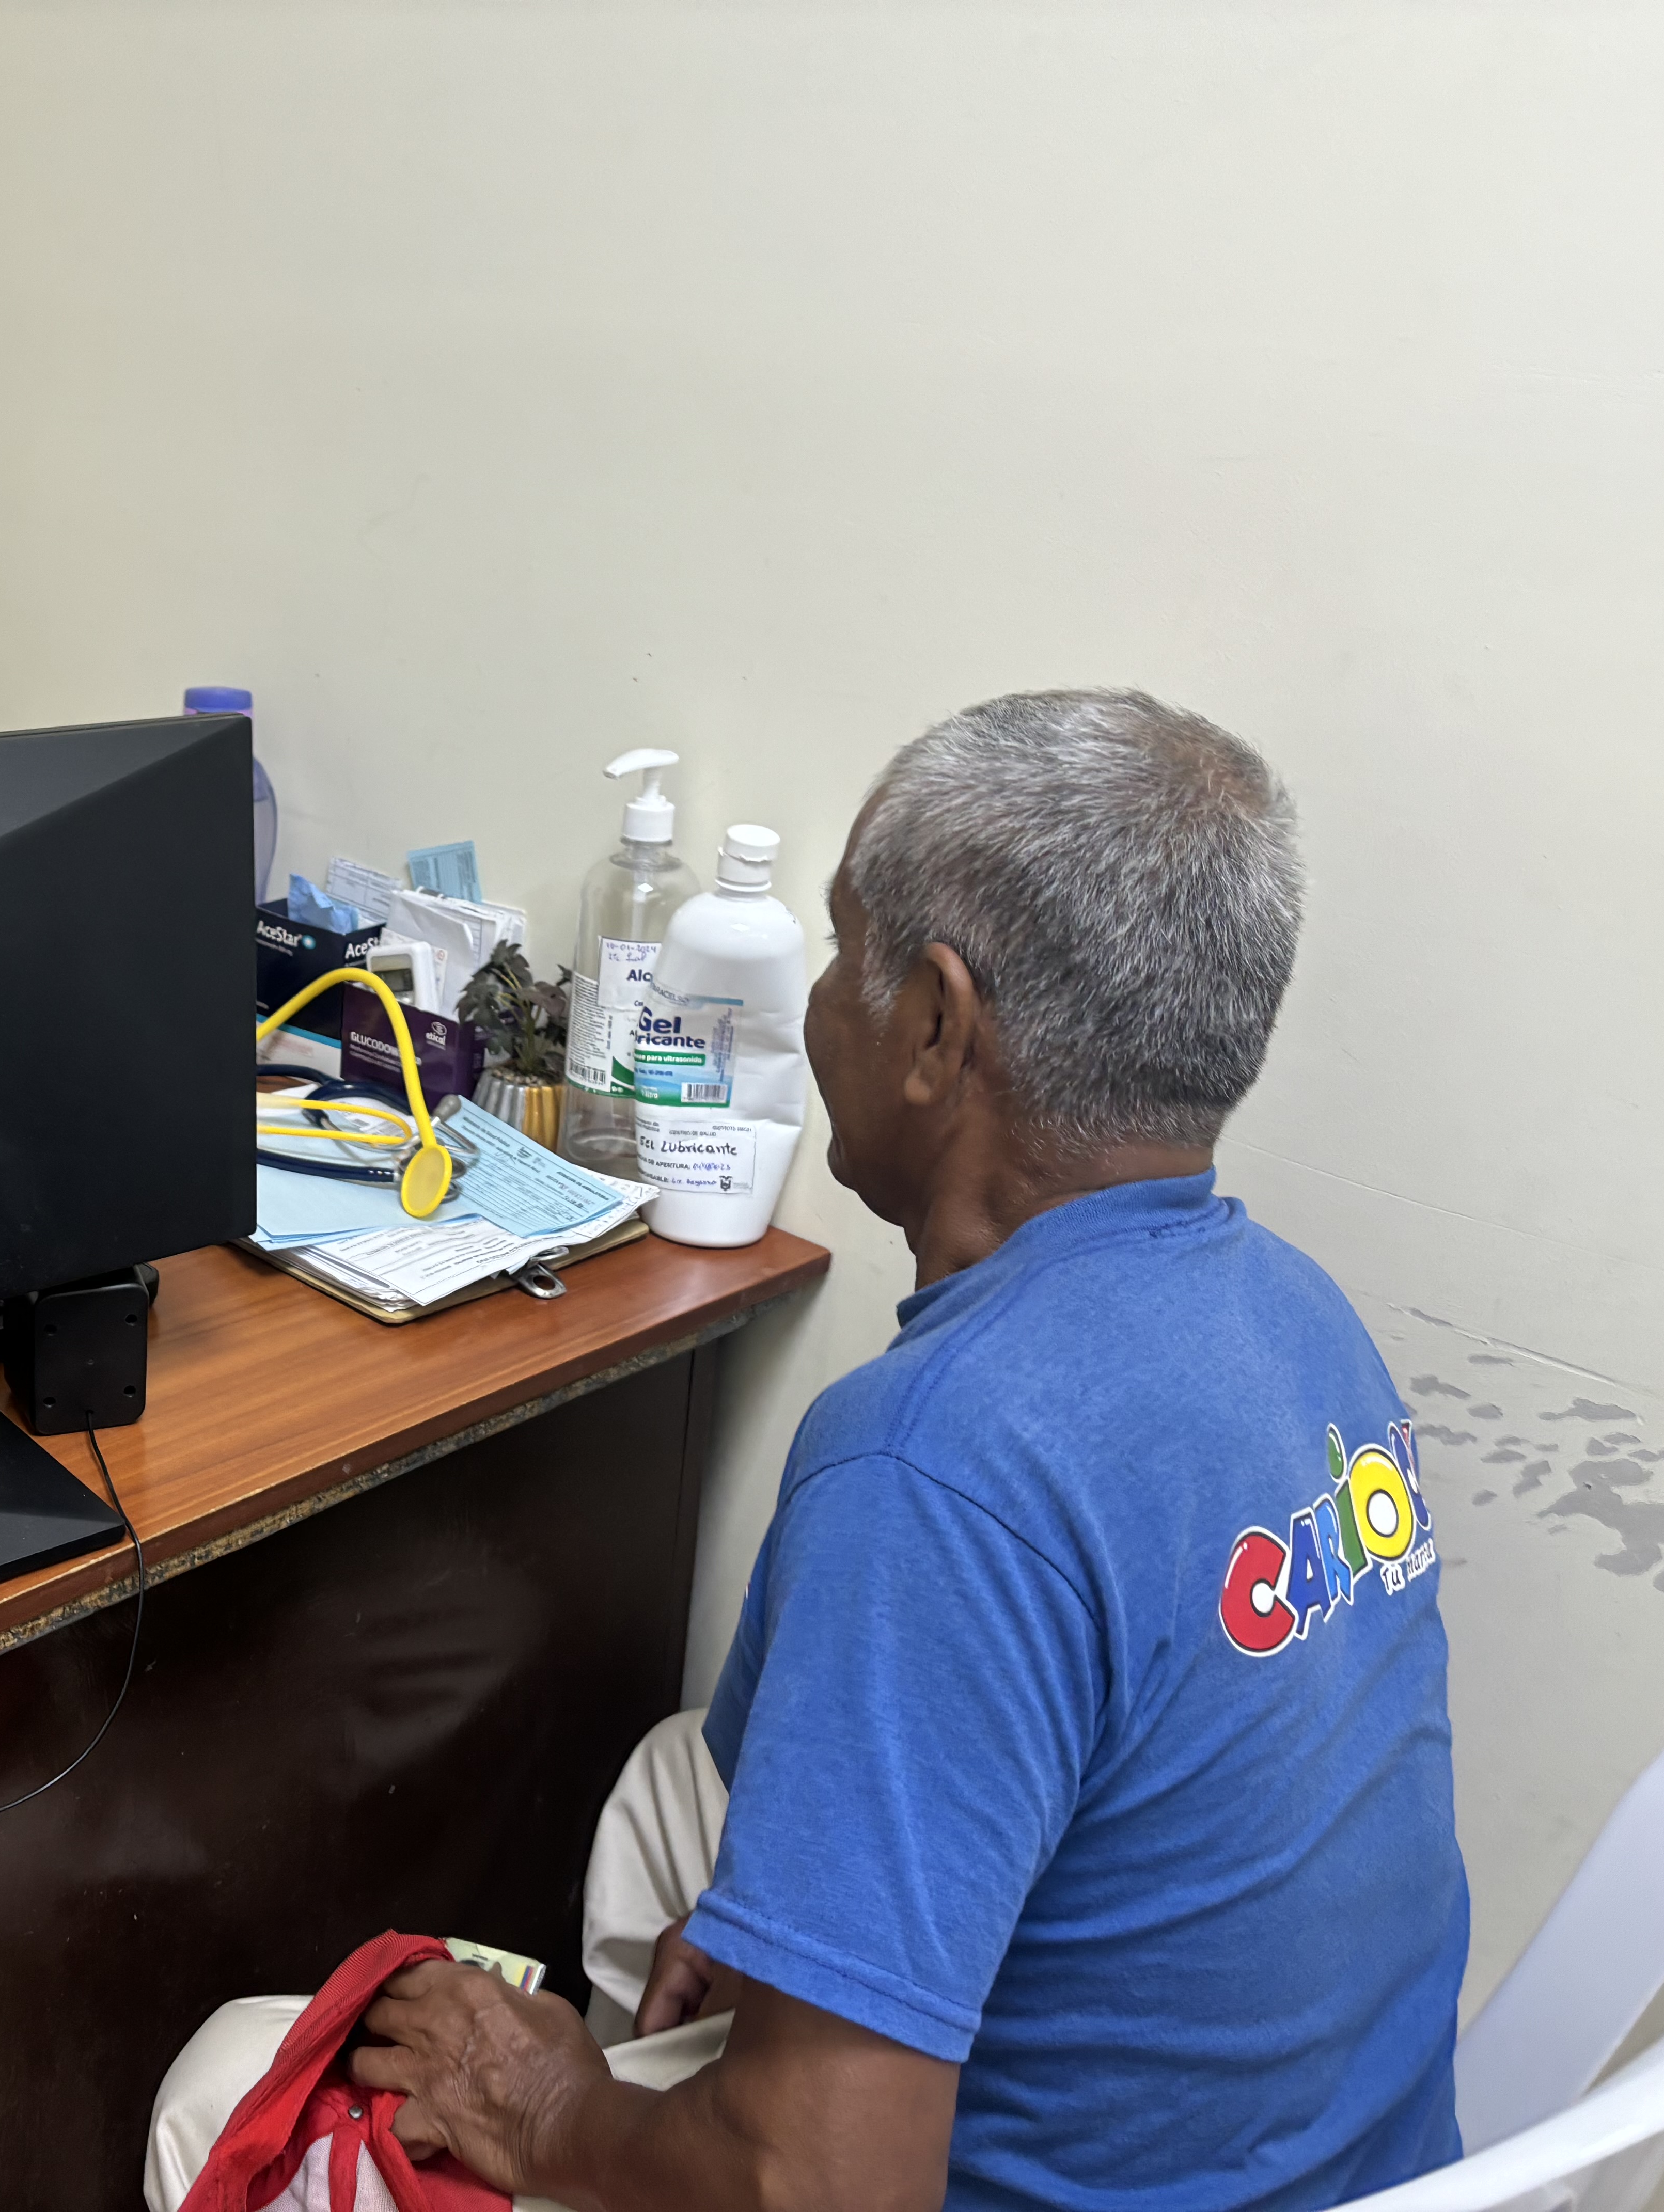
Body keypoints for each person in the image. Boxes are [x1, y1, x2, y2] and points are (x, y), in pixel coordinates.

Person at [148, 690, 1467, 2212]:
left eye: (844, 953)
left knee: (225, 2085)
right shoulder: (1299, 1317)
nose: (821, 1000)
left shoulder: (938, 1466)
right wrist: (807, 1955)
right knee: (676, 1784)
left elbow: (827, 2188)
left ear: (936, 1027)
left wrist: (549, 2107)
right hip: (1352, 2169)